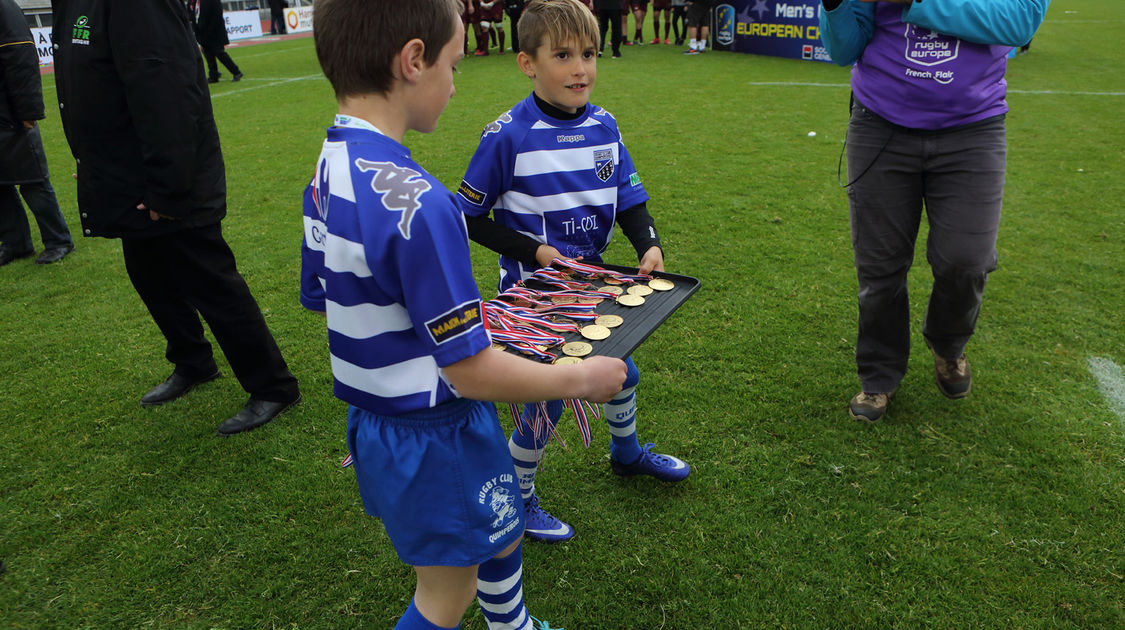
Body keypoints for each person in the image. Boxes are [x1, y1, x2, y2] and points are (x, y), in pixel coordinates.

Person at [302, 0, 626, 627]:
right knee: (444, 598)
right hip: (435, 431)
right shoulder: (424, 206)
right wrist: (580, 379)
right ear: (414, 61)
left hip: (375, 421)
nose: (456, 83)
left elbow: (322, 292)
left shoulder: (327, 166)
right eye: (454, 64)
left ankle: (512, 623)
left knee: (498, 534)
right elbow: (470, 372)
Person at [456, 0, 691, 544]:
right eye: (562, 55)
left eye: (587, 53)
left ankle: (626, 454)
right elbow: (468, 218)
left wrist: (648, 245)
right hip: (535, 296)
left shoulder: (605, 125)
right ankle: (519, 499)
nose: (580, 68)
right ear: (527, 64)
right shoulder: (506, 135)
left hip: (596, 283)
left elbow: (630, 199)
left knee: (618, 371)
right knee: (549, 400)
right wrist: (535, 252)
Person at [52, 0, 301, 436]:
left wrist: (167, 187)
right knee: (148, 273)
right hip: (128, 175)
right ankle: (193, 361)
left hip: (167, 178)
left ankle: (273, 386)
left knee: (210, 280)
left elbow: (164, 87)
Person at [819, 0, 1049, 422]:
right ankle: (879, 374)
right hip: (880, 123)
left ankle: (949, 345)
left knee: (967, 261)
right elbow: (843, 49)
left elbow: (1020, 21)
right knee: (879, 265)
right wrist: (833, 5)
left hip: (972, 129)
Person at [0, 0, 75, 267]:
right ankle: (15, 242)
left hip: (11, 115)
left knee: (32, 180)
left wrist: (28, 111)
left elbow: (21, 58)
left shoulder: (4, 8)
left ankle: (58, 240)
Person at [195, 0, 244, 82]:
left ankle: (236, 72)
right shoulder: (197, 2)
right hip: (203, 32)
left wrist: (210, 30)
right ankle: (213, 75)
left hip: (214, 32)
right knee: (208, 54)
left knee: (219, 53)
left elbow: (217, 15)